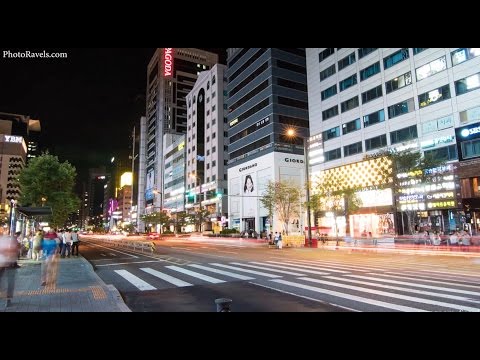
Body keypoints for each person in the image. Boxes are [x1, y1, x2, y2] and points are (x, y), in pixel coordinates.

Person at [0, 236, 20, 307]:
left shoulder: (12, 240)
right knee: (9, 282)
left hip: (11, 264)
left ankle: (8, 299)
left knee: (10, 282)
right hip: (2, 264)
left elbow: (16, 251)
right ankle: (7, 298)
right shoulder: (3, 240)